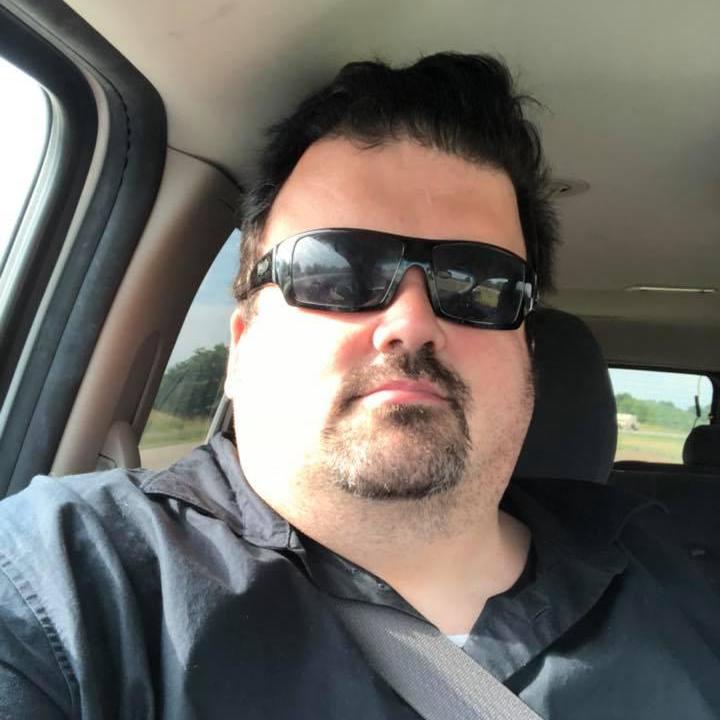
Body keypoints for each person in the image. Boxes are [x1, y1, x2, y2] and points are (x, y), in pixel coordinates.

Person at [0, 52, 717, 720]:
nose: (412, 323)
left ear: (527, 355)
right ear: (242, 346)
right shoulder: (64, 586)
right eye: (335, 270)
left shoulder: (676, 569)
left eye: (479, 283)